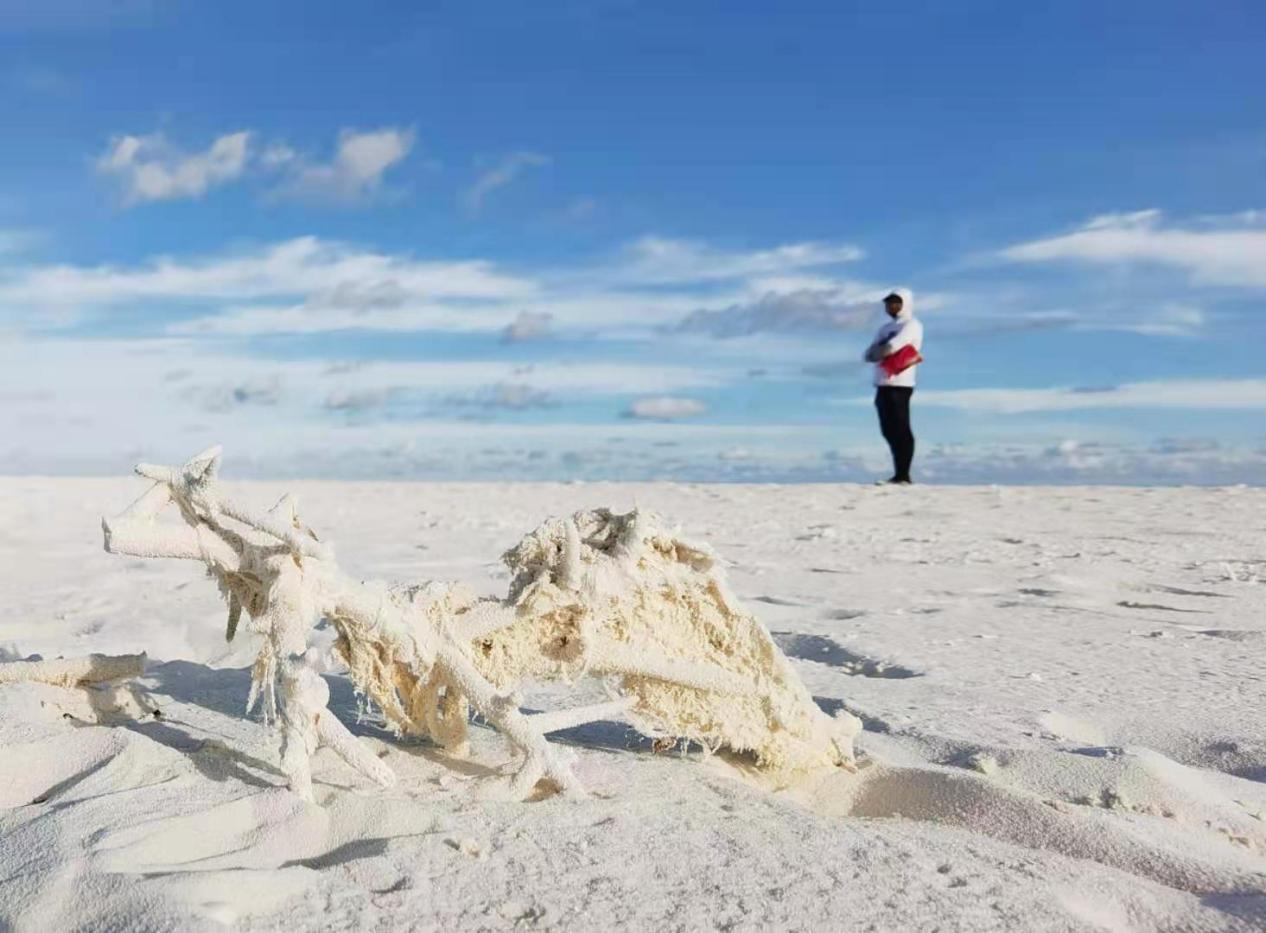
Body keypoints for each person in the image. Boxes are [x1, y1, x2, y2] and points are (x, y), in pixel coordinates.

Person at [863, 290, 923, 484]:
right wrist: (877, 352)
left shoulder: (912, 325)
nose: (892, 307)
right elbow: (869, 352)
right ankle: (898, 472)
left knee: (901, 428)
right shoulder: (884, 328)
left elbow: (895, 346)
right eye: (889, 303)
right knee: (887, 429)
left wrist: (881, 352)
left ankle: (903, 474)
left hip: (901, 382)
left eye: (896, 303)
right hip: (882, 382)